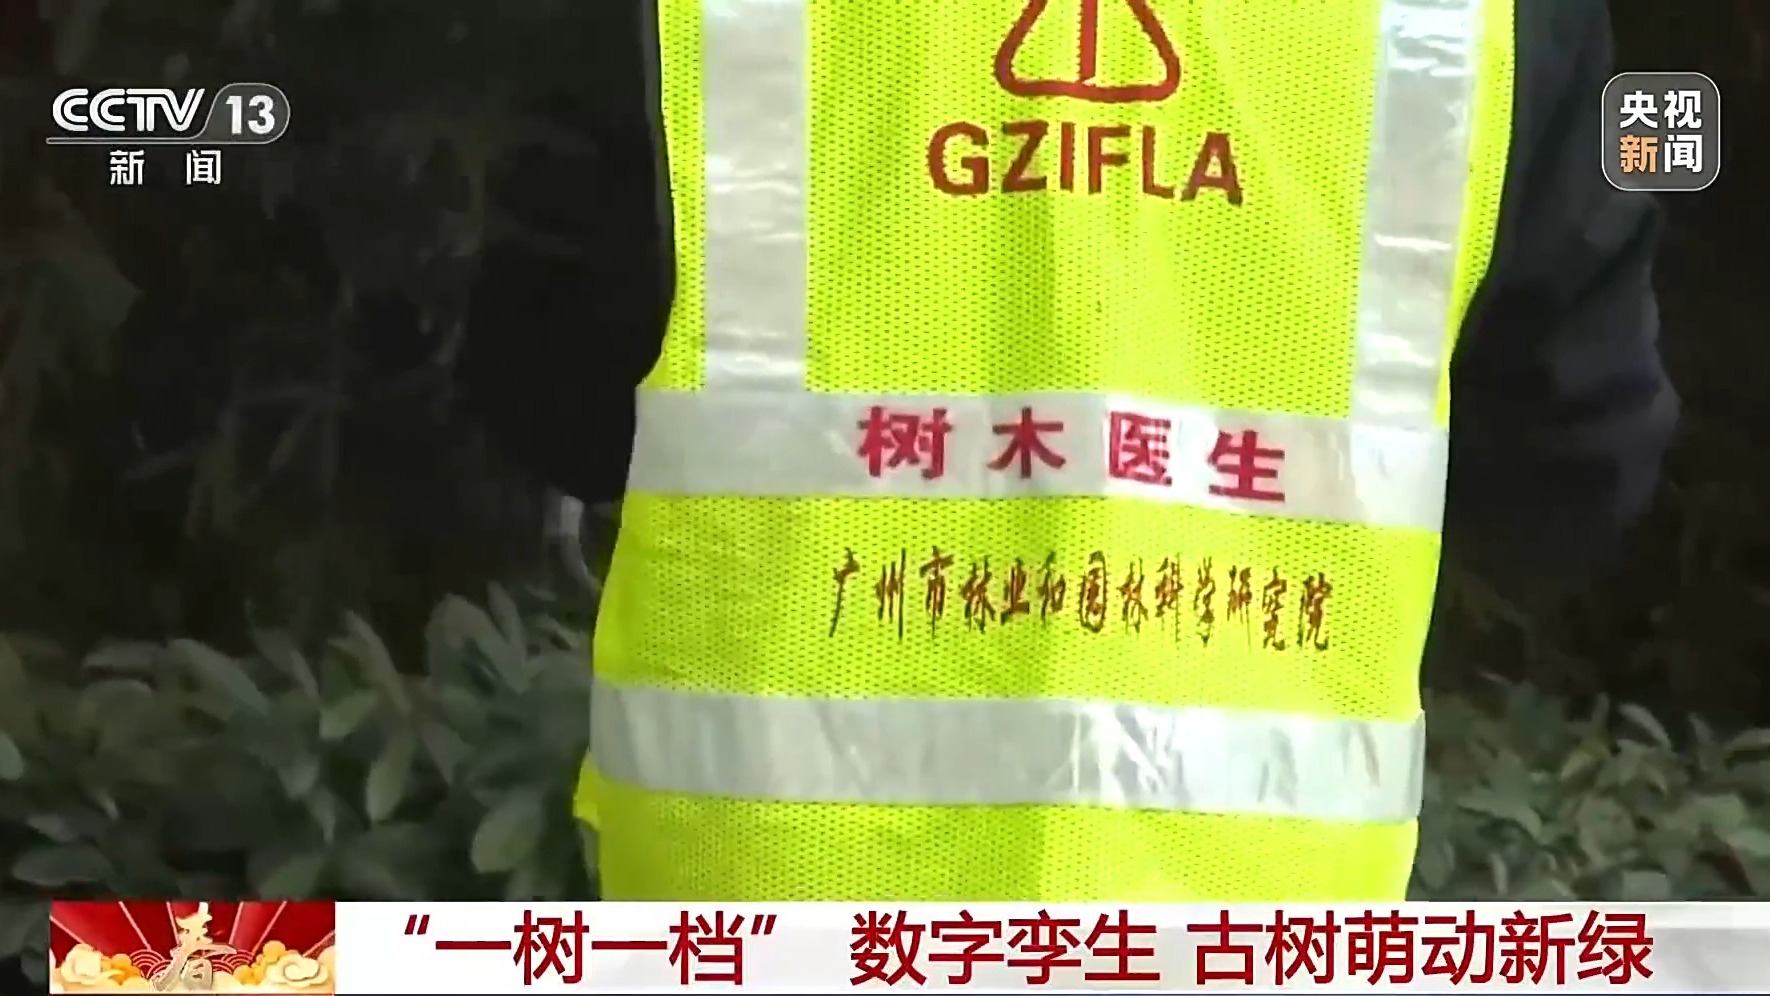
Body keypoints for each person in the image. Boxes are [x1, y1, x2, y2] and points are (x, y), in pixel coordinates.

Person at [473, 0, 1677, 899]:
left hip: (778, 914)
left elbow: (546, 395)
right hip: (1250, 926)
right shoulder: (1480, 20)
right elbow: (1572, 480)